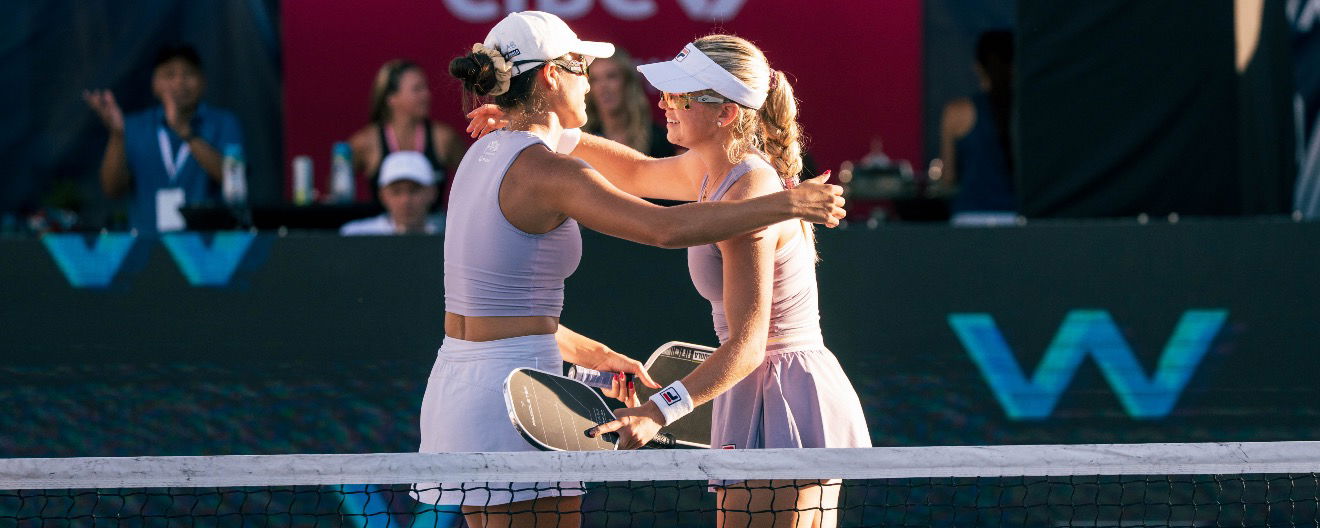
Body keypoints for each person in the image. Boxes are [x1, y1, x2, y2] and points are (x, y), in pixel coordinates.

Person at [421, 11, 846, 528]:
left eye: (678, 94)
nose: (661, 101)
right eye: (583, 68)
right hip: (517, 392)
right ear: (552, 76)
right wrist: (790, 204)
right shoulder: (551, 167)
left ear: (726, 113)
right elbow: (659, 222)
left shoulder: (483, 154)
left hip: (461, 390)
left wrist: (628, 383)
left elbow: (641, 177)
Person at [84, 44, 245, 234]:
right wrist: (117, 135)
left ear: (203, 81)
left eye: (188, 74)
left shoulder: (224, 123)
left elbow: (234, 183)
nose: (179, 83)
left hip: (207, 246)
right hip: (147, 245)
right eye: (169, 75)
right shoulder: (134, 126)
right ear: (154, 84)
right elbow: (112, 190)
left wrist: (184, 131)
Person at [348, 59, 465, 204]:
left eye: (425, 88)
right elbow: (338, 191)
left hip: (436, 226)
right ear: (391, 98)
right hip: (381, 226)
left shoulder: (445, 138)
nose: (427, 95)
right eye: (417, 89)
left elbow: (473, 180)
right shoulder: (365, 142)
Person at [939, 30, 1016, 226]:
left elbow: (947, 178)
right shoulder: (1024, 112)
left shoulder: (956, 112)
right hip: (1015, 219)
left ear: (978, 67)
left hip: (968, 218)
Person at [584, 48, 676, 158]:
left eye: (611, 76)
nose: (603, 87)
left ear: (627, 82)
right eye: (594, 79)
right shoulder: (582, 139)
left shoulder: (658, 138)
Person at [339, 151, 444, 235]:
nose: (405, 200)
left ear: (432, 193)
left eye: (414, 190)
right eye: (396, 192)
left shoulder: (451, 237)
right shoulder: (355, 235)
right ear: (382, 195)